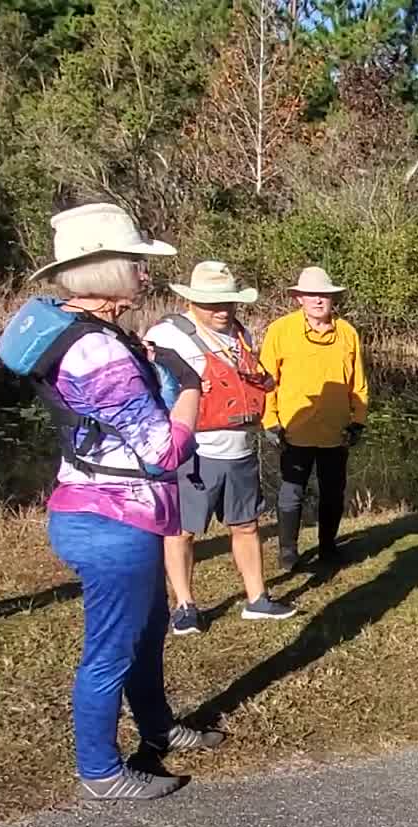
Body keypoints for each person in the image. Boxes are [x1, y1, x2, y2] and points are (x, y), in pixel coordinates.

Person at [17, 203, 224, 801]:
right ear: (105, 272)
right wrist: (190, 389)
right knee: (112, 646)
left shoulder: (95, 334)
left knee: (149, 625)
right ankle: (102, 772)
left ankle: (157, 726)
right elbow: (162, 451)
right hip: (110, 519)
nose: (143, 273)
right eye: (135, 263)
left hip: (114, 510)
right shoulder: (98, 352)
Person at [143, 261, 296, 634]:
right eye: (211, 302)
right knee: (182, 531)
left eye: (227, 301)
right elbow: (148, 390)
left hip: (241, 449)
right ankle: (184, 606)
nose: (221, 309)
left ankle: (257, 599)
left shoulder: (239, 335)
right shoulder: (168, 335)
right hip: (195, 451)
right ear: (192, 300)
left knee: (246, 525)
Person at [259, 266, 368, 571]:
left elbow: (358, 383)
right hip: (294, 429)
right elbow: (266, 381)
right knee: (291, 492)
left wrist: (358, 420)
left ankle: (328, 548)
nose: (319, 300)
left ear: (333, 299)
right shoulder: (280, 330)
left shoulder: (347, 333)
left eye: (325, 295)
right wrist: (270, 421)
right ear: (299, 299)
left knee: (333, 491)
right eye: (312, 295)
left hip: (336, 431)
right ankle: (288, 551)